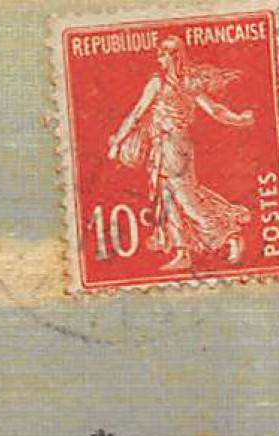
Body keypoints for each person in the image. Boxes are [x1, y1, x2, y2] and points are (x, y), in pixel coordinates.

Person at [107, 36, 254, 271]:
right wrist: (239, 120)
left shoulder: (175, 84)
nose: (159, 59)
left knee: (186, 199)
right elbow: (137, 114)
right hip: (161, 147)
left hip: (175, 147)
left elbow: (213, 109)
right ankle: (181, 252)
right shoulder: (174, 83)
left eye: (162, 55)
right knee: (167, 199)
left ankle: (229, 235)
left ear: (173, 57)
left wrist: (238, 120)